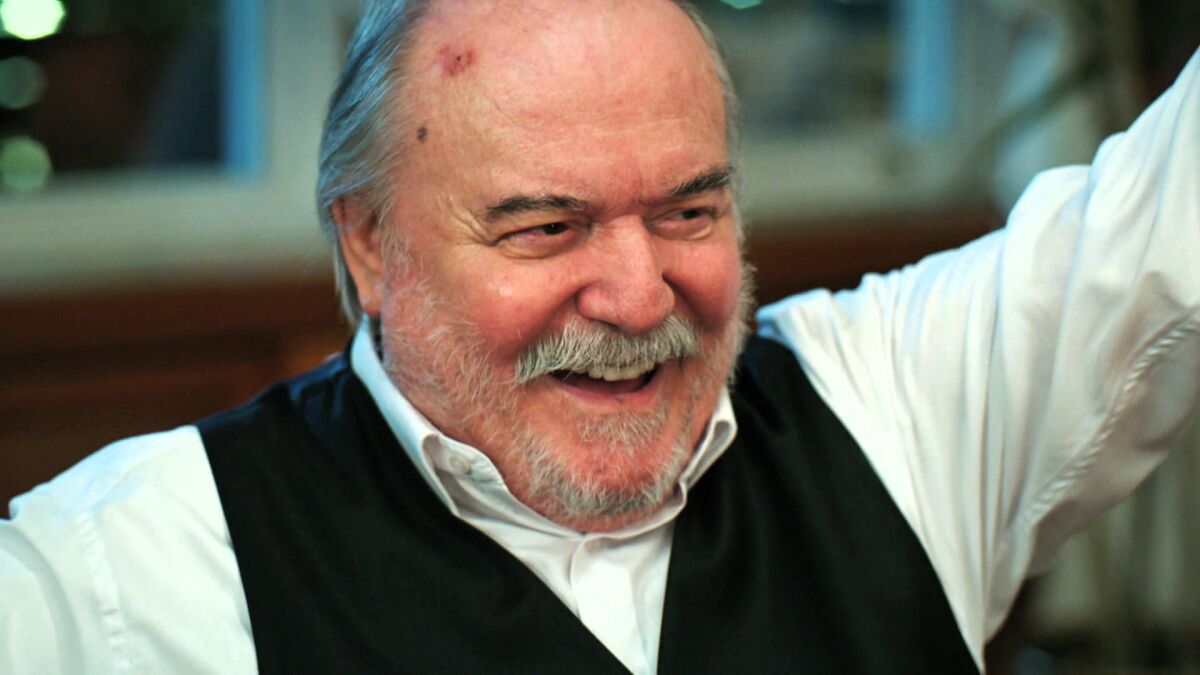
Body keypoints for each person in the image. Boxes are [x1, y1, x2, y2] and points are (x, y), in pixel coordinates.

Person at [1, 0, 1197, 672]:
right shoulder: (125, 574)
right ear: (369, 244)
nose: (636, 297)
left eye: (688, 213)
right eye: (545, 227)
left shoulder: (891, 408)